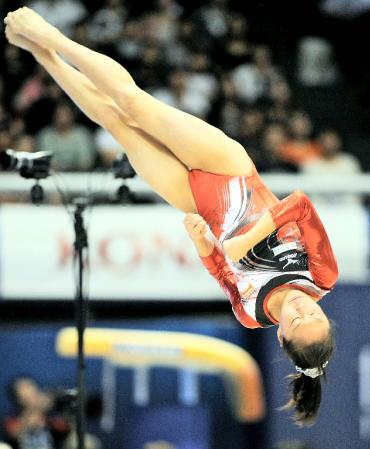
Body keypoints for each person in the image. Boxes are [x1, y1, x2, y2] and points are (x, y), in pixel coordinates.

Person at [4, 7, 338, 427]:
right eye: (316, 315)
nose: (302, 309)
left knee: (118, 124)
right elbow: (300, 204)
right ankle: (53, 36)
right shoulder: (321, 277)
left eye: (297, 320)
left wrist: (203, 243)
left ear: (281, 333)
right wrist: (249, 238)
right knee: (132, 103)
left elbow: (221, 271)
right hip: (230, 168)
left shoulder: (249, 314)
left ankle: (43, 56)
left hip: (196, 204)